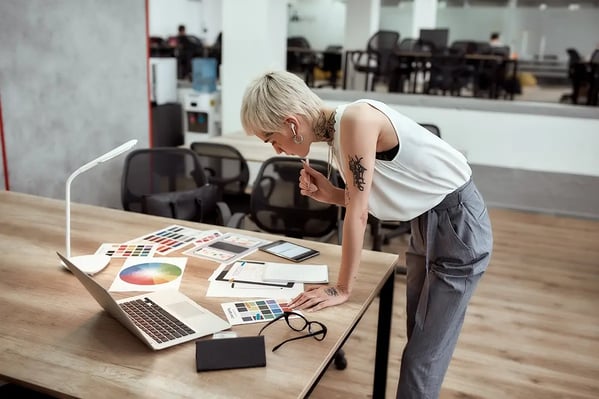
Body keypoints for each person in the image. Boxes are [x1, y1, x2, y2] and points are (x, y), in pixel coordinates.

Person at [240, 70, 493, 398]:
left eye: (271, 138)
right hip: (428, 218)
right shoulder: (340, 129)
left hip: (456, 223)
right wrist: (330, 194)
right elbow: (373, 196)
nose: (276, 149)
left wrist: (342, 288)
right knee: (418, 334)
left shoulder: (355, 121)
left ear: (291, 123)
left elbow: (358, 212)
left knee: (422, 356)